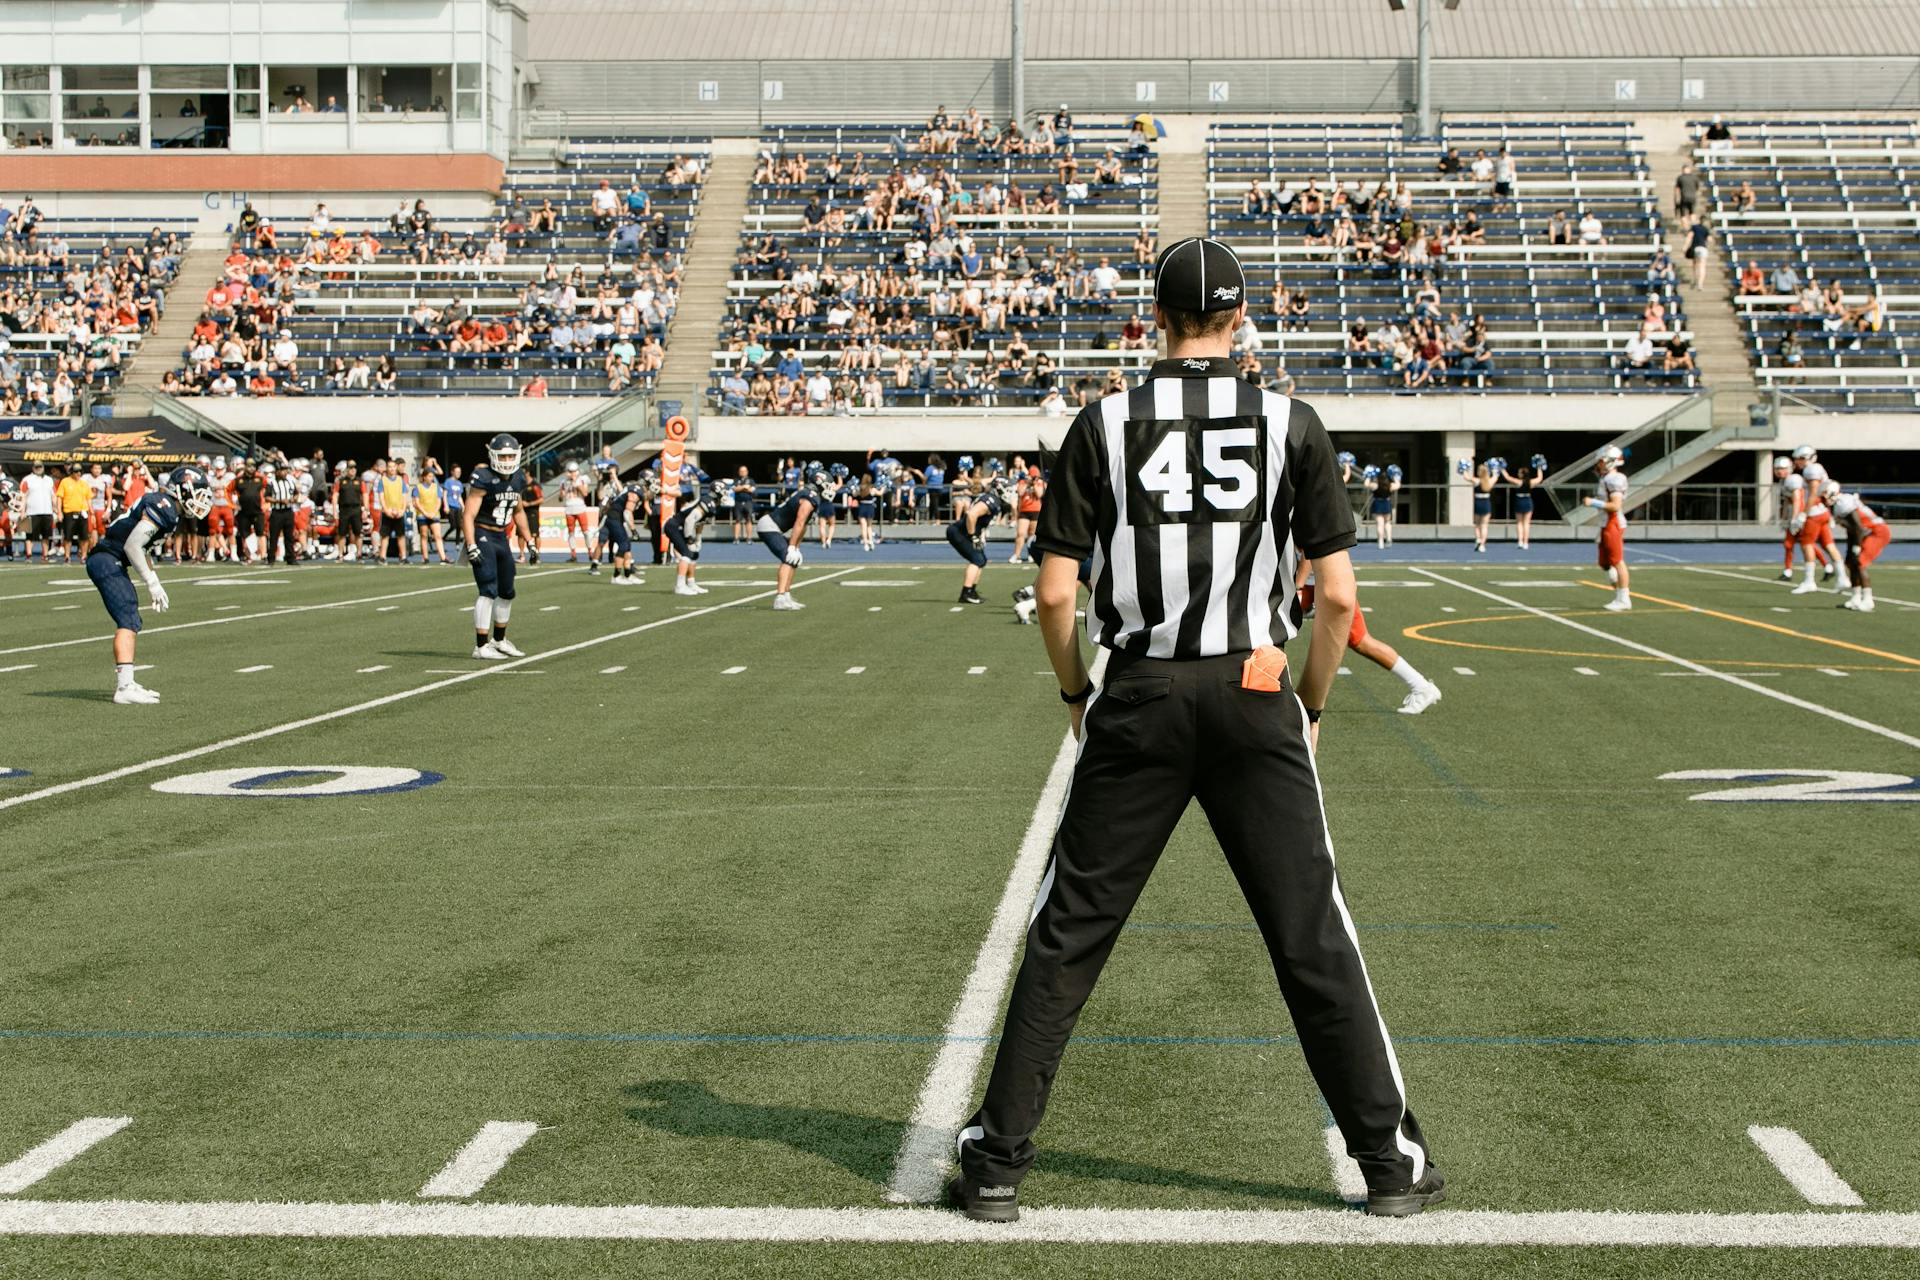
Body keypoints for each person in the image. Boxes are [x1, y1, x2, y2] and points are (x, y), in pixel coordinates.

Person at [949, 237, 1441, 1225]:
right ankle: (1388, 1161)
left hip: (1140, 688)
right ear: (1242, 314)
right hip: (1257, 683)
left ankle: (998, 1161)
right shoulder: (1289, 421)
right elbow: (1338, 601)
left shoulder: (1104, 421)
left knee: (1068, 933)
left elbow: (1055, 593)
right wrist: (1307, 701)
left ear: (1156, 318)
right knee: (1311, 932)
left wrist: (1076, 690)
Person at [88, 465, 212, 704]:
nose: (201, 500)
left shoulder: (168, 509)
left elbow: (141, 549)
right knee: (128, 617)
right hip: (106, 559)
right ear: (183, 490)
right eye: (198, 493)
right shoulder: (163, 506)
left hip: (110, 559)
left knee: (131, 616)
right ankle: (124, 688)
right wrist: (151, 583)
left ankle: (128, 683)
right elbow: (133, 546)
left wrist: (155, 581)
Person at [1298, 573, 1440, 715]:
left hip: (1327, 584)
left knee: (1360, 640)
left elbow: (1306, 555)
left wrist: (1298, 585)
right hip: (1318, 583)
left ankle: (1421, 687)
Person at [462, 434, 538, 658]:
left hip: (501, 538)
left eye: (510, 456)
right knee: (488, 589)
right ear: (493, 455)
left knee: (507, 591)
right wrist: (471, 544)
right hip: (483, 533)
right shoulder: (483, 477)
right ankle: (481, 645)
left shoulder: (518, 479)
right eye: (502, 455)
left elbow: (519, 511)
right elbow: (468, 514)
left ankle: (499, 640)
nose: (506, 460)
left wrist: (530, 540)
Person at [755, 461, 832, 611]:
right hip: (769, 525)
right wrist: (791, 546)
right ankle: (780, 597)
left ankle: (786, 596)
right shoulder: (811, 496)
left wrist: (796, 547)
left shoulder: (812, 495)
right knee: (786, 557)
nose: (830, 488)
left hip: (774, 526)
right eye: (828, 484)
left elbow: (803, 526)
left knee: (793, 560)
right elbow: (799, 521)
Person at [948, 473, 1014, 605]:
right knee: (977, 559)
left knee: (981, 559)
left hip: (963, 532)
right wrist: (974, 536)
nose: (1011, 492)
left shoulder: (993, 499)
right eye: (1009, 489)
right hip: (960, 532)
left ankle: (971, 590)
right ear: (1000, 488)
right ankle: (966, 593)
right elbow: (971, 515)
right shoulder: (992, 500)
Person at [1789, 445, 1845, 594]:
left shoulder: (1811, 469)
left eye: (1800, 458)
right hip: (1823, 512)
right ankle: (1842, 577)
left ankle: (1809, 581)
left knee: (1807, 544)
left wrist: (1802, 515)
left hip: (1815, 513)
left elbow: (1814, 494)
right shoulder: (1816, 468)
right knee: (1828, 545)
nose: (1797, 462)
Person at [1830, 484, 1890, 613]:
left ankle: (1868, 600)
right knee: (1851, 563)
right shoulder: (1838, 504)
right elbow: (1852, 529)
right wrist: (1851, 548)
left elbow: (1858, 527)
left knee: (1860, 563)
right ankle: (1856, 598)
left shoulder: (1842, 502)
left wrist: (1856, 547)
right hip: (1863, 533)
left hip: (1876, 532)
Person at [1584, 447, 1631, 611]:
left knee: (1617, 561)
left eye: (1602, 461)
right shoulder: (1606, 478)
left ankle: (1623, 598)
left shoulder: (1614, 479)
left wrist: (1593, 502)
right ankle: (1618, 591)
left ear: (1611, 461)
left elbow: (1615, 506)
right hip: (1605, 522)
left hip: (1613, 522)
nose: (1599, 465)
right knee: (1604, 563)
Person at [663, 478, 725, 597]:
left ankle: (691, 583)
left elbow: (700, 522)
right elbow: (689, 520)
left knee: (693, 554)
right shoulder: (708, 502)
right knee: (686, 554)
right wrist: (689, 539)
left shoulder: (711, 503)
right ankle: (680, 586)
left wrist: (698, 539)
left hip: (681, 526)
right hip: (675, 526)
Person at [601, 471, 649, 587]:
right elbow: (627, 512)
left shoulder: (636, 488)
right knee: (623, 545)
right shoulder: (636, 491)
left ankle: (628, 575)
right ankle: (616, 576)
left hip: (615, 518)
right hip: (614, 518)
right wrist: (633, 530)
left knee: (626, 545)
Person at [1502, 455, 1548, 550]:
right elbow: (1540, 478)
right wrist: (1539, 467)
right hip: (1528, 501)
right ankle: (1526, 543)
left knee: (1519, 523)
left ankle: (1520, 542)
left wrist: (1501, 468)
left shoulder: (1518, 482)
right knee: (1526, 523)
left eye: (1519, 473)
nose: (1518, 474)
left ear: (1522, 474)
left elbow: (1507, 477)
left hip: (1519, 501)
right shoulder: (1531, 482)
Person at [558, 461, 593, 562]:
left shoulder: (582, 479)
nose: (572, 473)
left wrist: (576, 484)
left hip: (580, 507)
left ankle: (590, 552)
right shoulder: (564, 481)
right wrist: (562, 493)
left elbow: (585, 493)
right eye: (570, 471)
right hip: (569, 508)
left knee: (585, 531)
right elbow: (560, 498)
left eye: (573, 471)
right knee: (571, 532)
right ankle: (573, 554)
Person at [414, 465, 449, 564]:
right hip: (422, 515)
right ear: (424, 476)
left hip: (434, 514)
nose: (431, 478)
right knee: (424, 536)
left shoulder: (436, 487)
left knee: (438, 536)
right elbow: (417, 502)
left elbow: (439, 501)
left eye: (432, 476)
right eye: (429, 476)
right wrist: (425, 513)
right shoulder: (418, 487)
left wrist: (433, 512)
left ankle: (443, 557)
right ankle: (425, 558)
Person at [1367, 464, 1399, 549]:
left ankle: (1380, 542)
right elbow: (1398, 485)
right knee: (1387, 522)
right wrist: (1396, 476)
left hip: (1377, 503)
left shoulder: (1375, 485)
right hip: (1386, 503)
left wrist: (1368, 475)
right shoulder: (1390, 485)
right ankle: (1388, 539)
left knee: (1379, 524)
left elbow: (1366, 484)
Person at [731, 466, 757, 543]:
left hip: (748, 502)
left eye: (744, 471)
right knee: (737, 520)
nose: (742, 472)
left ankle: (749, 538)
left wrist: (741, 488)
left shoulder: (751, 480)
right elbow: (734, 489)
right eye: (741, 471)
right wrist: (744, 487)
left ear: (747, 472)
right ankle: (736, 538)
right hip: (738, 502)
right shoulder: (736, 480)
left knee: (749, 520)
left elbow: (752, 490)